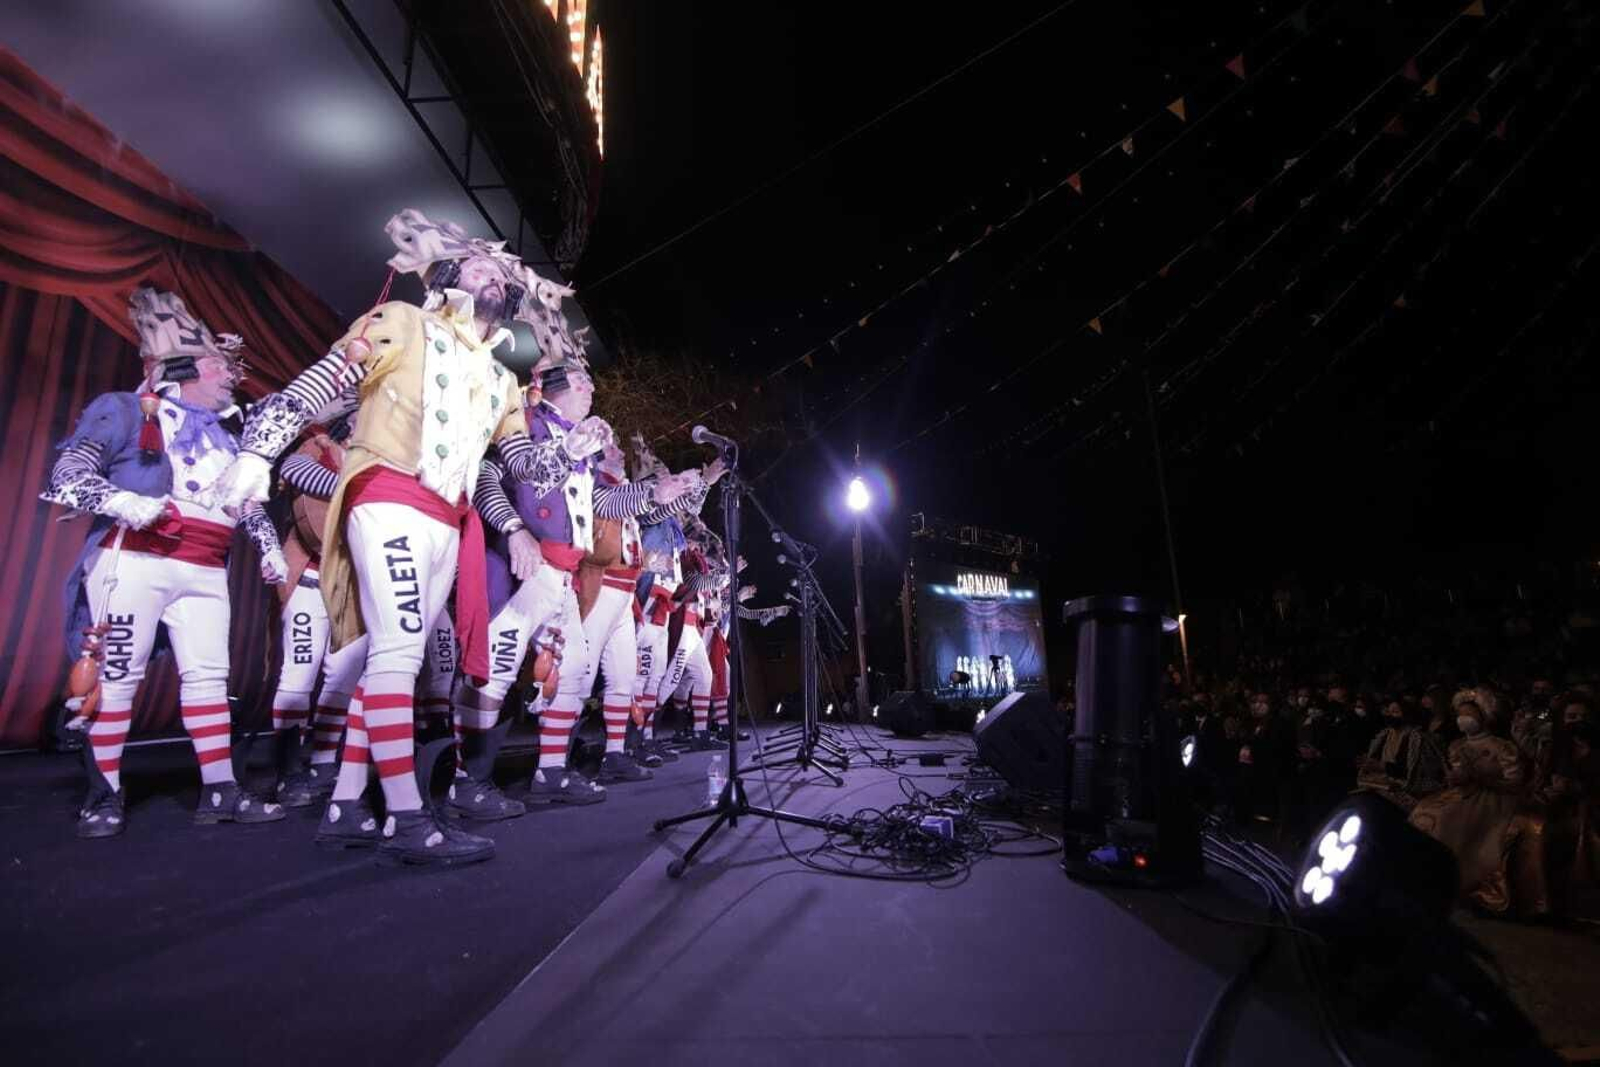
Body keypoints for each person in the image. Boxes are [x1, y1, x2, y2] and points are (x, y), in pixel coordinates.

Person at [214, 209, 571, 866]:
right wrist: (260, 449)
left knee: (389, 652)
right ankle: (407, 817)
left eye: (499, 269)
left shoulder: (502, 378)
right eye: (476, 263)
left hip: (448, 520)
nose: (490, 270)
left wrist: (558, 457)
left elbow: (517, 453)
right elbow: (333, 372)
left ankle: (347, 804)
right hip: (389, 497)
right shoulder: (404, 321)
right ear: (449, 278)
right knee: (400, 655)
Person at [42, 287, 288, 838]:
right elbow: (66, 475)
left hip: (205, 571)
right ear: (185, 366)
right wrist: (120, 500)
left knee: (208, 678)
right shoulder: (126, 409)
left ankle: (221, 788)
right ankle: (102, 793)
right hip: (136, 562)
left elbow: (243, 501)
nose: (231, 374)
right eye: (219, 364)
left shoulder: (231, 433)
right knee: (119, 677)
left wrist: (268, 544)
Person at [265, 413, 368, 806]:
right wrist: (358, 486)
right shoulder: (319, 448)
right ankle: (288, 771)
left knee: (341, 679)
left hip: (354, 584)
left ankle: (323, 763)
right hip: (310, 576)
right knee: (299, 674)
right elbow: (296, 471)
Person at [1409, 689, 1550, 916]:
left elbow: (1514, 782)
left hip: (1496, 798)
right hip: (1464, 794)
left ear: (1484, 717)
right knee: (1424, 811)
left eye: (1469, 714)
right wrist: (1456, 779)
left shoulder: (1502, 747)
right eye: (1460, 715)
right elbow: (1457, 778)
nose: (1463, 719)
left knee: (1449, 821)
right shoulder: (1457, 746)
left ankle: (1462, 880)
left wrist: (1482, 779)